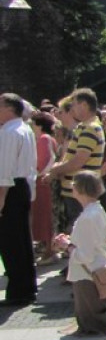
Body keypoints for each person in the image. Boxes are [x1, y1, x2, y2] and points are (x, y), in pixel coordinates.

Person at [52, 171, 106, 333]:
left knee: (91, 321)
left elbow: (85, 255)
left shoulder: (88, 217)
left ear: (79, 189)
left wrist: (66, 245)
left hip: (88, 274)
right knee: (97, 313)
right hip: (100, 268)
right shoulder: (97, 210)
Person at [45, 89, 105, 232]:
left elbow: (79, 161)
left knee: (78, 234)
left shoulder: (90, 128)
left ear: (84, 105)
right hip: (74, 190)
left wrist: (55, 170)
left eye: (74, 105)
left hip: (80, 190)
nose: (71, 108)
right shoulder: (83, 127)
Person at [0, 93, 39, 306]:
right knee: (22, 239)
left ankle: (18, 290)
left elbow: (4, 171)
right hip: (22, 186)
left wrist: (1, 200)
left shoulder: (8, 132)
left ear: (9, 108)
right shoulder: (25, 129)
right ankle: (26, 286)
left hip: (11, 189)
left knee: (11, 241)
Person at [31, 111, 59, 265]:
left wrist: (35, 174)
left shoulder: (43, 139)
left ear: (39, 125)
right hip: (45, 182)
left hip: (42, 182)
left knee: (45, 217)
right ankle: (49, 249)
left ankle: (49, 251)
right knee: (47, 217)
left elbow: (43, 162)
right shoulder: (49, 139)